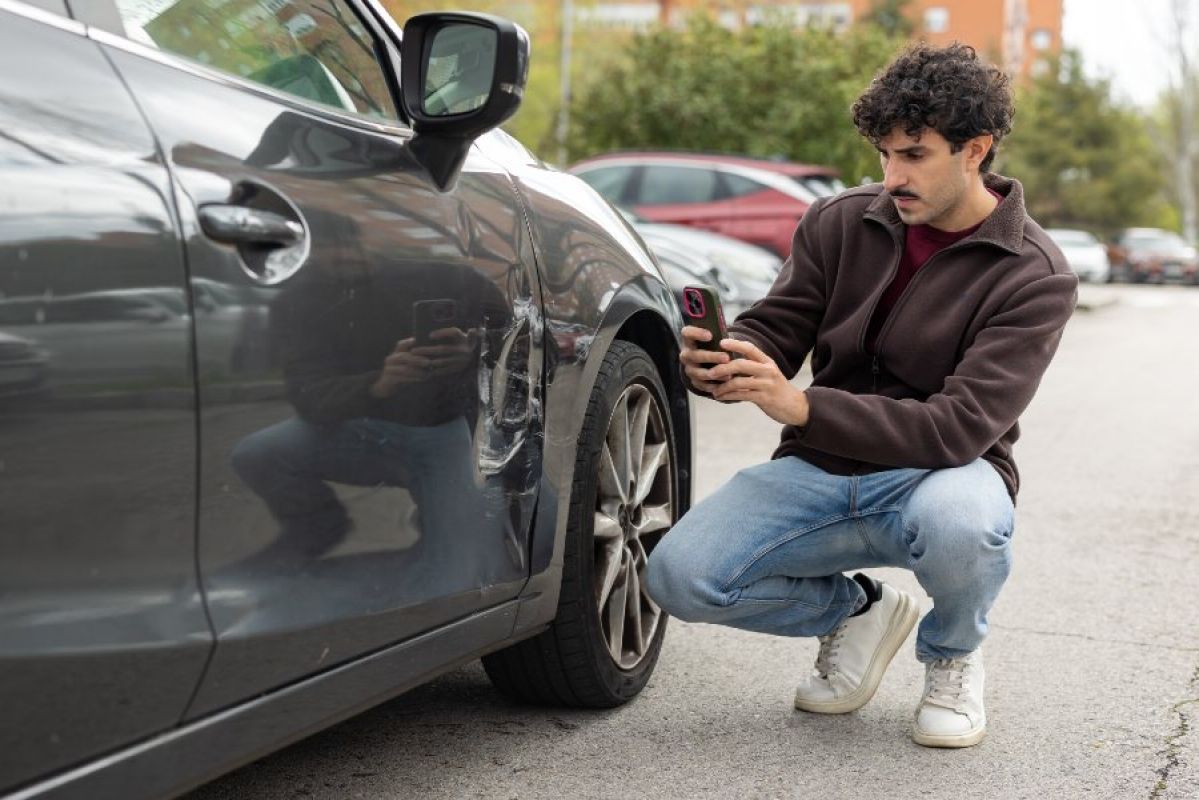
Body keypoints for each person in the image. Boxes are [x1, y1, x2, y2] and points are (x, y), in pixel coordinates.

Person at [644, 42, 1078, 749]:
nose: (891, 175)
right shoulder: (838, 221)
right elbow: (777, 330)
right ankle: (859, 611)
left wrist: (805, 407)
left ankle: (950, 655)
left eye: (914, 154)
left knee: (964, 526)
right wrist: (722, 360)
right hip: (819, 470)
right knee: (678, 578)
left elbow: (957, 428)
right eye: (883, 154)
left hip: (939, 477)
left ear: (975, 149)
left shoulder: (1034, 273)